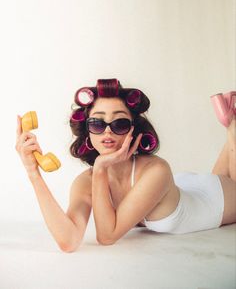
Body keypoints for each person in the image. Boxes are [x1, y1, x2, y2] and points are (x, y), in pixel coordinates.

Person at [15, 79, 236, 252]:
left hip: (215, 201)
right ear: (87, 131)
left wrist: (100, 168)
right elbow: (69, 241)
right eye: (97, 123)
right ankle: (231, 124)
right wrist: (33, 172)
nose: (108, 131)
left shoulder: (156, 170)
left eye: (119, 123)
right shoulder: (84, 182)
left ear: (134, 129)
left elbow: (107, 236)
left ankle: (232, 125)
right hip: (188, 187)